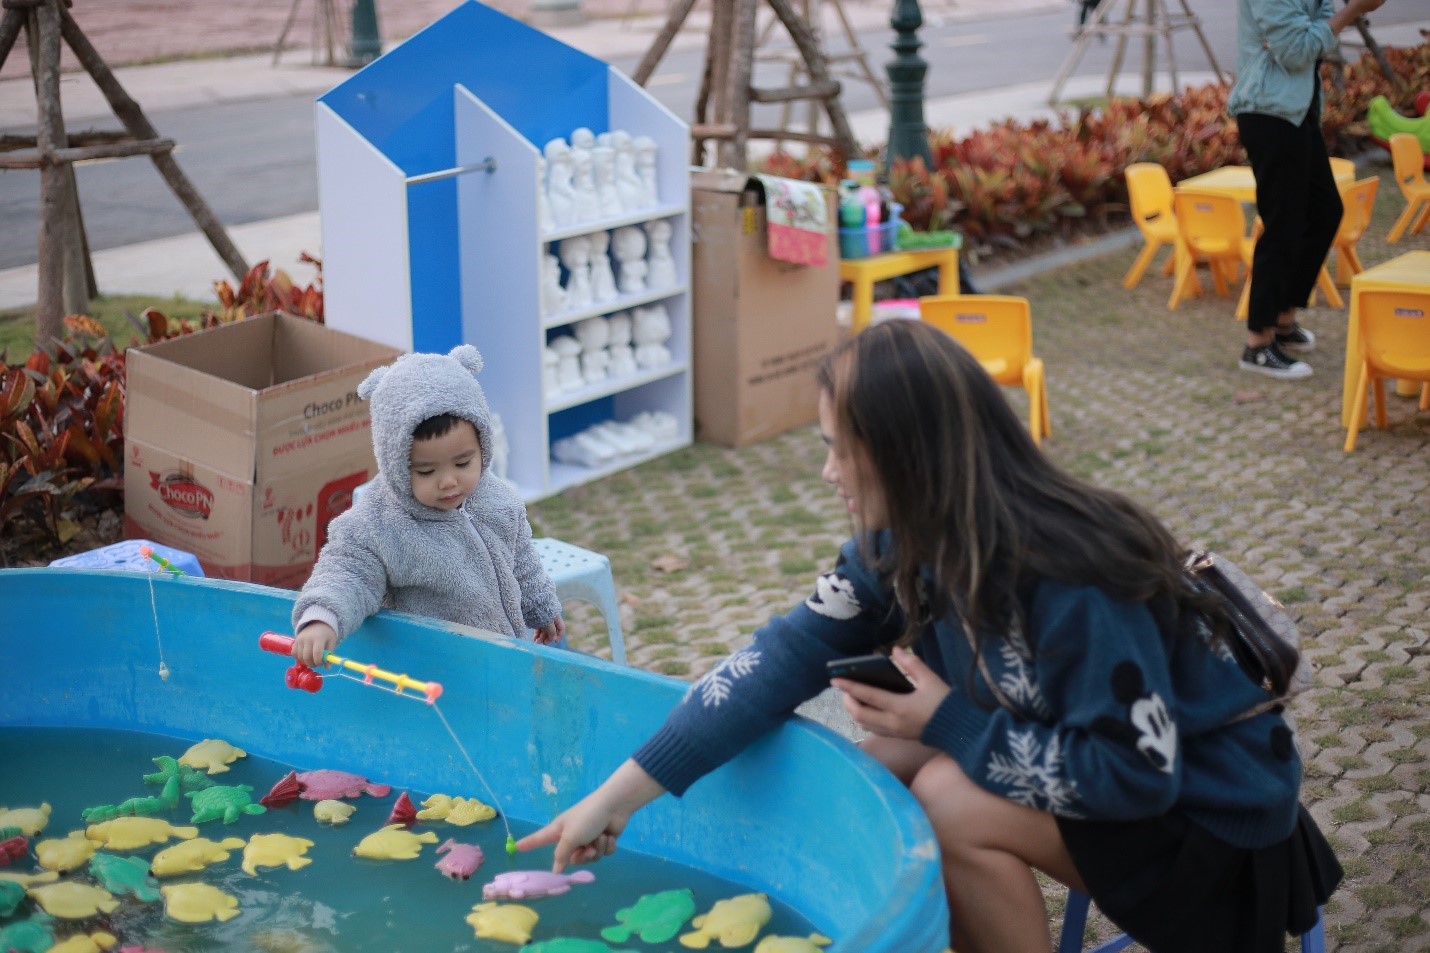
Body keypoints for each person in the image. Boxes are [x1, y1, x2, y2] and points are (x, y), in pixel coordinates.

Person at [517, 321, 1341, 953]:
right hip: (1125, 793)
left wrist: (949, 721)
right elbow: (773, 661)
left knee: (944, 795)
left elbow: (1136, 776)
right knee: (875, 769)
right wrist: (615, 797)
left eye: (840, 451)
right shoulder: (902, 547)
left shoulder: (1074, 575)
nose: (828, 474)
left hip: (1219, 843)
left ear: (907, 458)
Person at [290, 345, 564, 667]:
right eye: (426, 471)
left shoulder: (496, 498)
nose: (448, 482)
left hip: (503, 658)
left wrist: (540, 605)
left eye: (463, 462)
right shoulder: (382, 523)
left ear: (482, 446)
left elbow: (519, 556)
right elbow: (348, 568)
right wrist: (323, 616)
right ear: (395, 464)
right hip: (433, 674)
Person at [1227, 0, 1388, 380]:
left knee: (1324, 210)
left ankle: (1283, 318)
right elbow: (1297, 51)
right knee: (1282, 224)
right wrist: (1352, 11)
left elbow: (1314, 34)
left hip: (1296, 110)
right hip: (1269, 111)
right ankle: (1257, 343)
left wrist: (1322, 24)